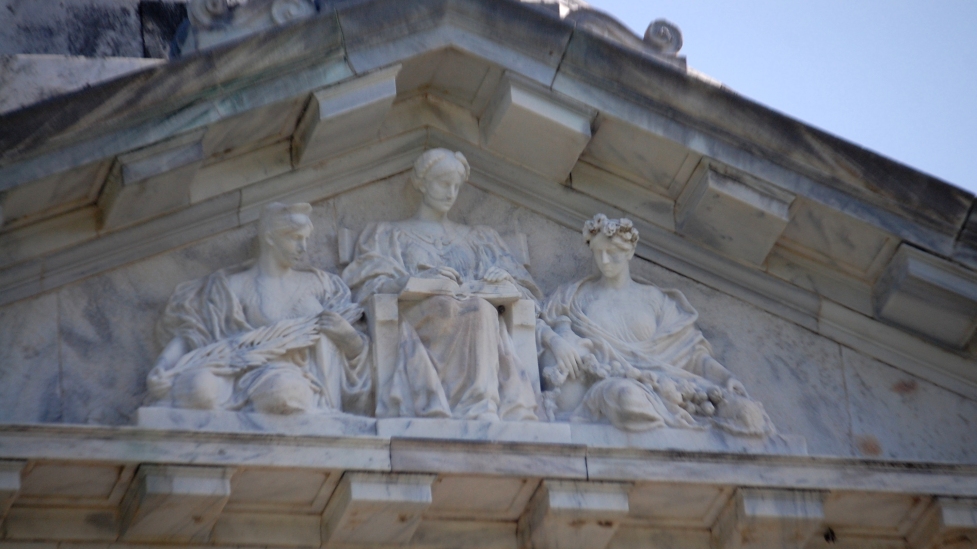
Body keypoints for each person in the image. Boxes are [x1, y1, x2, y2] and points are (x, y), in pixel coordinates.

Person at [342, 148, 540, 421]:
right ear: (420, 182)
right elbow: (364, 287)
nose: (451, 193)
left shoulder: (481, 238)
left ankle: (480, 405)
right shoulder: (389, 234)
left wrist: (505, 280)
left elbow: (529, 294)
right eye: (443, 183)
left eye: (457, 186)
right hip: (418, 321)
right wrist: (419, 281)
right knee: (450, 307)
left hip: (477, 317)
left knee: (480, 310)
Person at [538, 213, 774, 435]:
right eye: (598, 252)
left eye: (613, 252)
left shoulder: (657, 300)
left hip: (676, 386)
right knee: (628, 398)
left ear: (630, 252)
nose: (604, 260)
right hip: (614, 384)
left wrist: (725, 378)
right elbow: (537, 323)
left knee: (748, 415)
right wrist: (557, 341)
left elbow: (691, 354)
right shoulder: (573, 297)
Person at [146, 202, 372, 415]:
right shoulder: (230, 287)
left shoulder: (323, 286)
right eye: (295, 238)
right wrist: (163, 365)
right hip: (229, 368)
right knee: (198, 388)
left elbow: (356, 351)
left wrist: (348, 336)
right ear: (270, 238)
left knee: (284, 392)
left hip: (287, 374)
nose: (303, 248)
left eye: (305, 239)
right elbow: (193, 334)